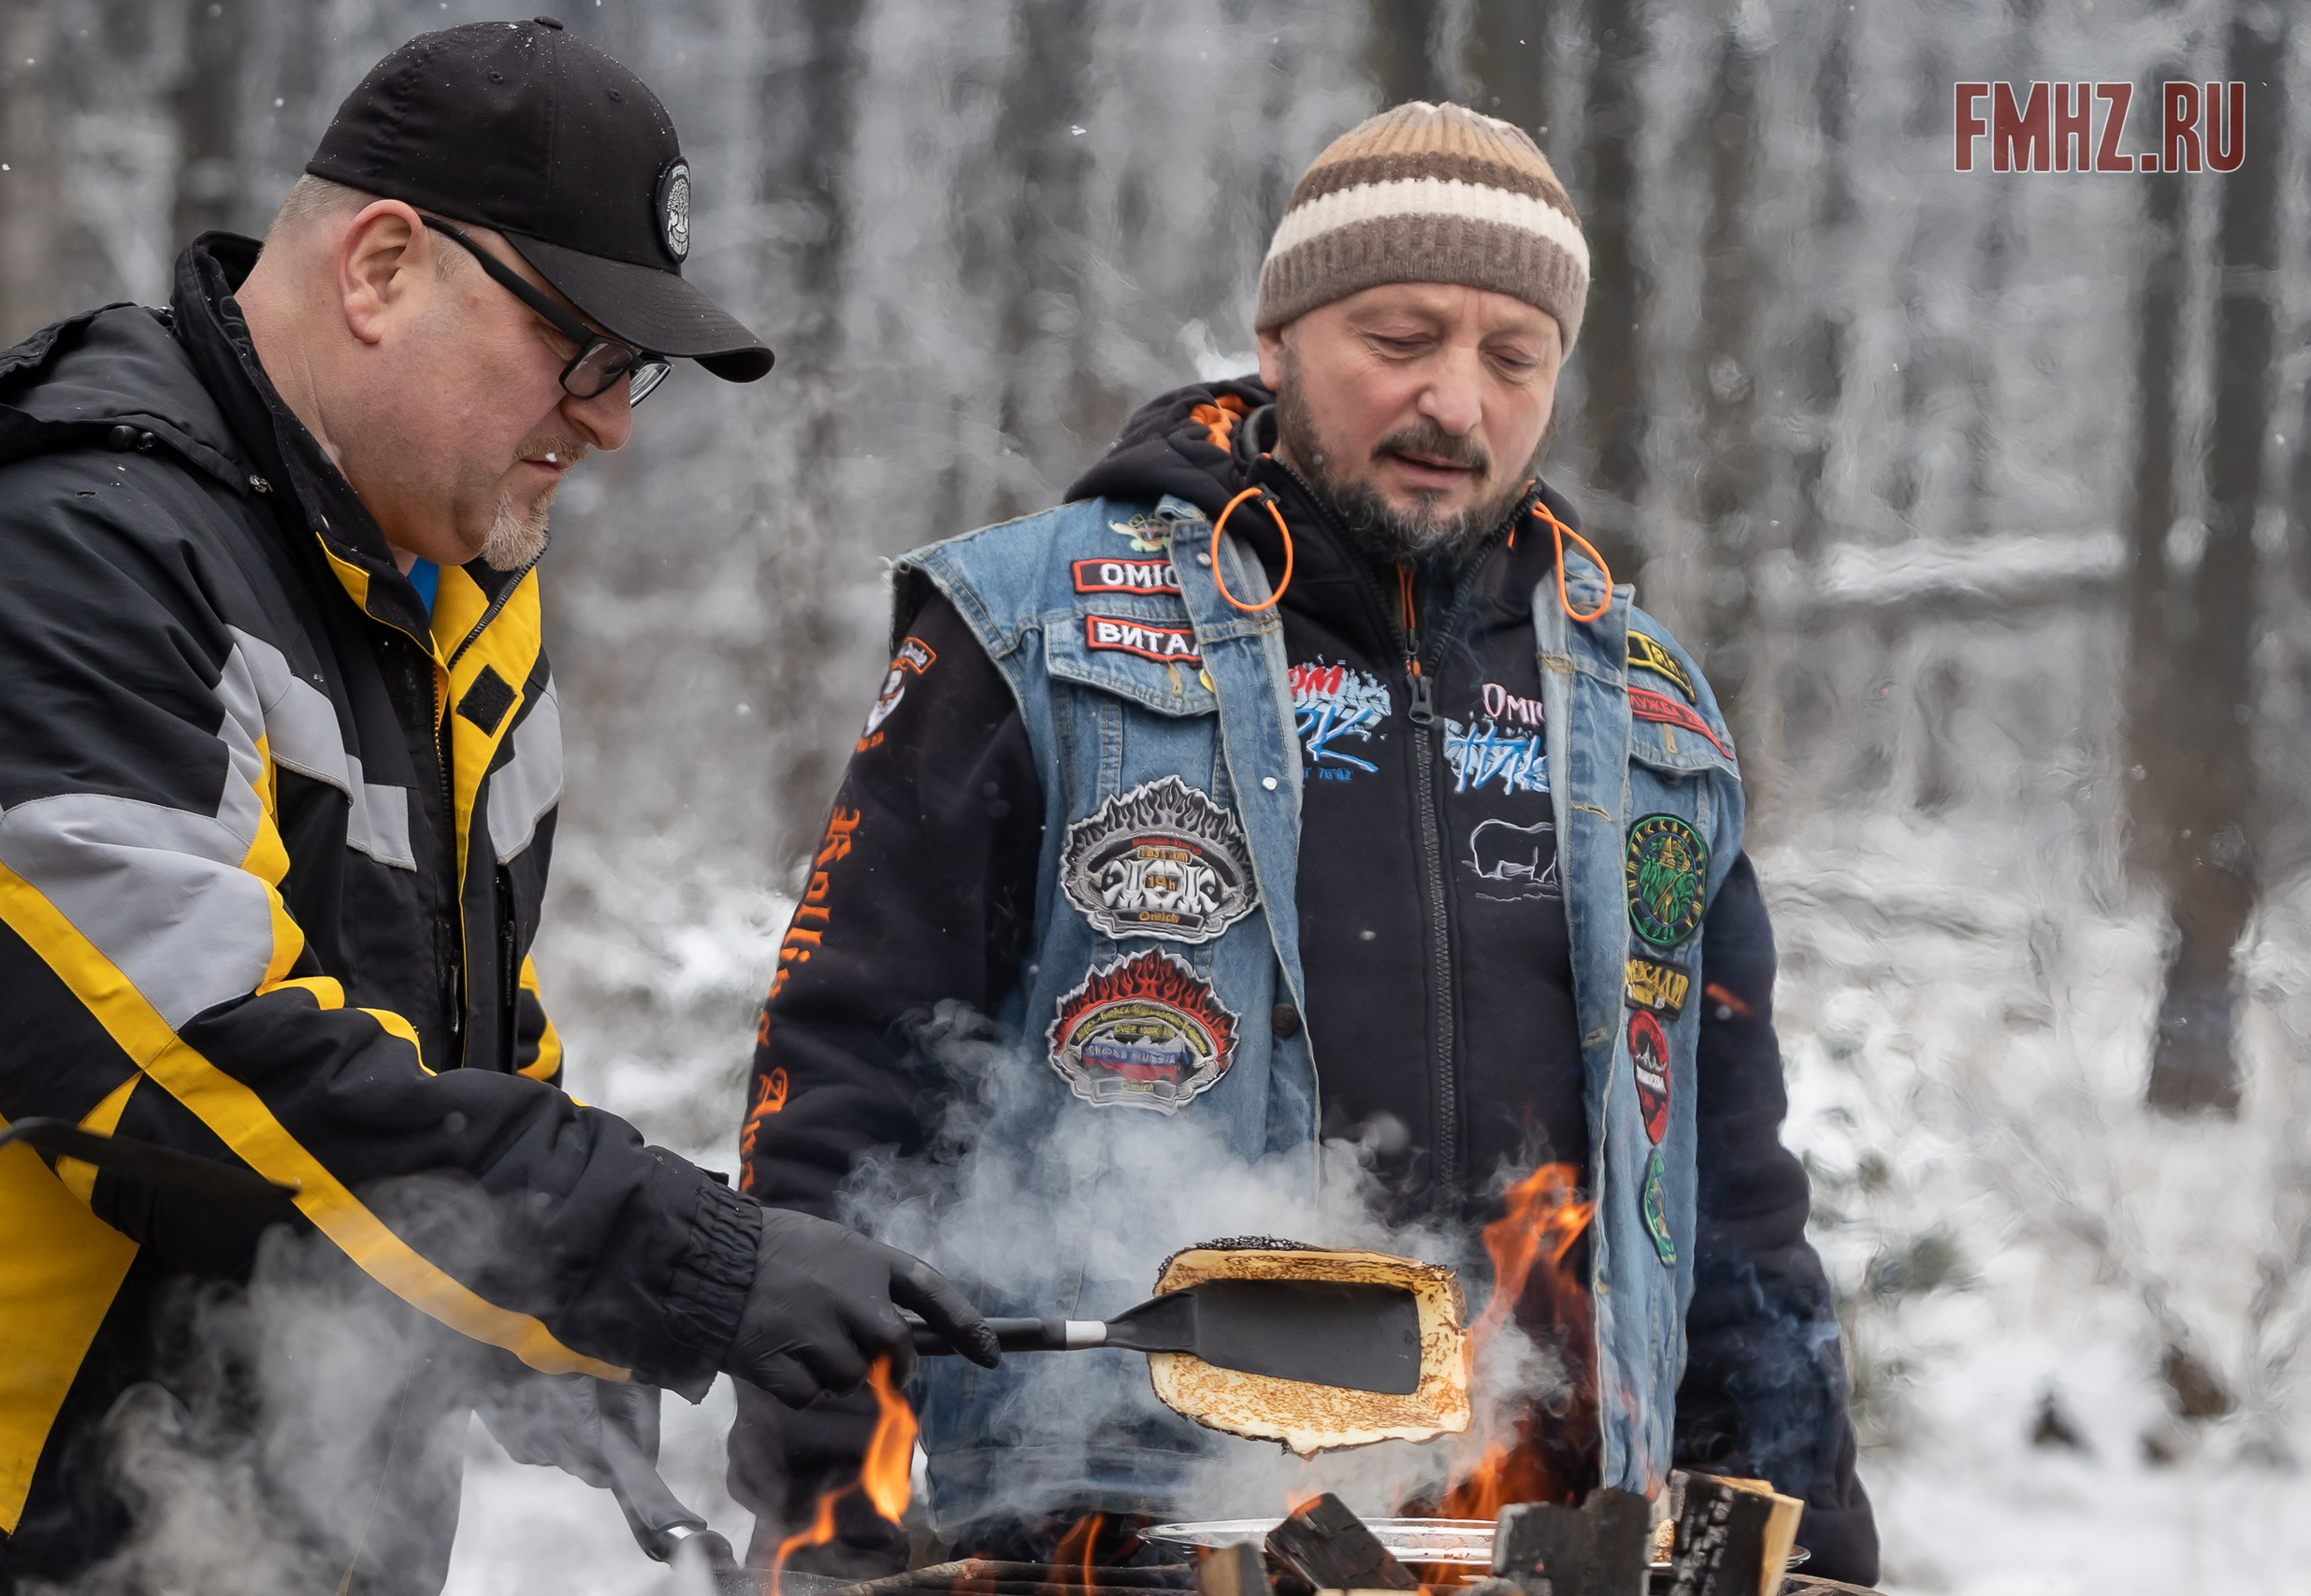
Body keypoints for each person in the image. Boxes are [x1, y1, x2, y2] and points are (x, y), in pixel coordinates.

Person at [0, 22, 996, 1596]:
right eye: (589, 353)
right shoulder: (59, 549)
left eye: (635, 374)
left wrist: (554, 1340)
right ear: (381, 269)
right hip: (2, 1529)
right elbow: (194, 1078)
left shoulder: (447, 579)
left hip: (300, 1530)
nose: (616, 421)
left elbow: (465, 1040)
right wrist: (684, 1262)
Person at [735, 103, 1879, 1583]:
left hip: (1553, 1548)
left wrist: (1823, 1554)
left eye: (1511, 356)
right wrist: (825, 1537)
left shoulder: (1651, 718)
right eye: (1401, 338)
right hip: (1123, 1549)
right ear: (1277, 340)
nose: (1455, 404)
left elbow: (1729, 1202)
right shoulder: (1030, 632)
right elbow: (835, 1112)